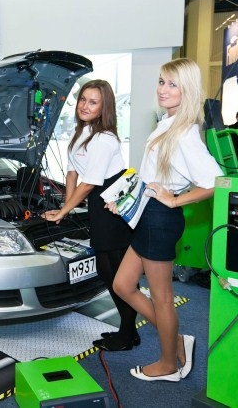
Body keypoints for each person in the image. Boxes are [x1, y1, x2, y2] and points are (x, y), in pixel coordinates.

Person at [110, 58, 223, 382]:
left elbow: (215, 181)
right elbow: (150, 176)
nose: (163, 89)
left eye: (172, 84)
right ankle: (175, 342)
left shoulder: (185, 132)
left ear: (186, 89)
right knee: (122, 285)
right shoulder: (167, 123)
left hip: (161, 218)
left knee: (162, 298)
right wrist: (125, 202)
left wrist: (175, 199)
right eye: (161, 81)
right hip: (148, 214)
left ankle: (168, 363)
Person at [42, 79, 138, 350]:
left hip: (112, 206)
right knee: (109, 272)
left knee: (116, 275)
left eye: (93, 101)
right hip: (98, 202)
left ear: (104, 106)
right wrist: (65, 205)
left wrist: (65, 209)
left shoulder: (104, 139)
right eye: (83, 99)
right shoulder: (81, 131)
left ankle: (127, 332)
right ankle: (128, 330)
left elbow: (91, 181)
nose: (85, 106)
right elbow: (72, 173)